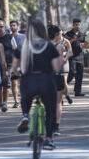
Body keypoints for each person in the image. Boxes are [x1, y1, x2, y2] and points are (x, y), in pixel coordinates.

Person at [12, 19, 62, 151]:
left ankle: (25, 116)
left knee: (26, 98)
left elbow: (14, 67)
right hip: (46, 81)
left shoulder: (23, 46)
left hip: (28, 80)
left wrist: (15, 72)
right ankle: (49, 139)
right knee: (51, 110)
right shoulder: (49, 46)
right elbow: (57, 68)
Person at [48, 25, 71, 135]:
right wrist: (67, 56)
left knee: (46, 101)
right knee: (58, 102)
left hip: (45, 76)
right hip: (57, 75)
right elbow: (62, 62)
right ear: (57, 35)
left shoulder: (42, 46)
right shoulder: (59, 47)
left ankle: (47, 121)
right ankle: (56, 126)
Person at [0, 19, 17, 111]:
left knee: (6, 84)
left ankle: (5, 103)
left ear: (4, 27)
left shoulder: (10, 37)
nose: (0, 28)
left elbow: (15, 50)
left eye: (1, 27)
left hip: (8, 65)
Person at [64, 18, 85, 97]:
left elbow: (85, 44)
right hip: (72, 57)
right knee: (71, 72)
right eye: (76, 24)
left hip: (80, 56)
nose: (78, 26)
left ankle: (78, 91)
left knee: (80, 75)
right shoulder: (68, 34)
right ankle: (63, 85)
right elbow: (65, 44)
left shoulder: (82, 34)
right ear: (73, 25)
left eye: (79, 24)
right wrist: (72, 40)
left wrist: (84, 45)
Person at [9, 20, 24, 107]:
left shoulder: (23, 37)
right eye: (11, 25)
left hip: (22, 63)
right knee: (14, 83)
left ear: (18, 27)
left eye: (14, 25)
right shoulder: (8, 37)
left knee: (23, 82)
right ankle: (16, 101)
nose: (12, 27)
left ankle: (23, 98)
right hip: (12, 64)